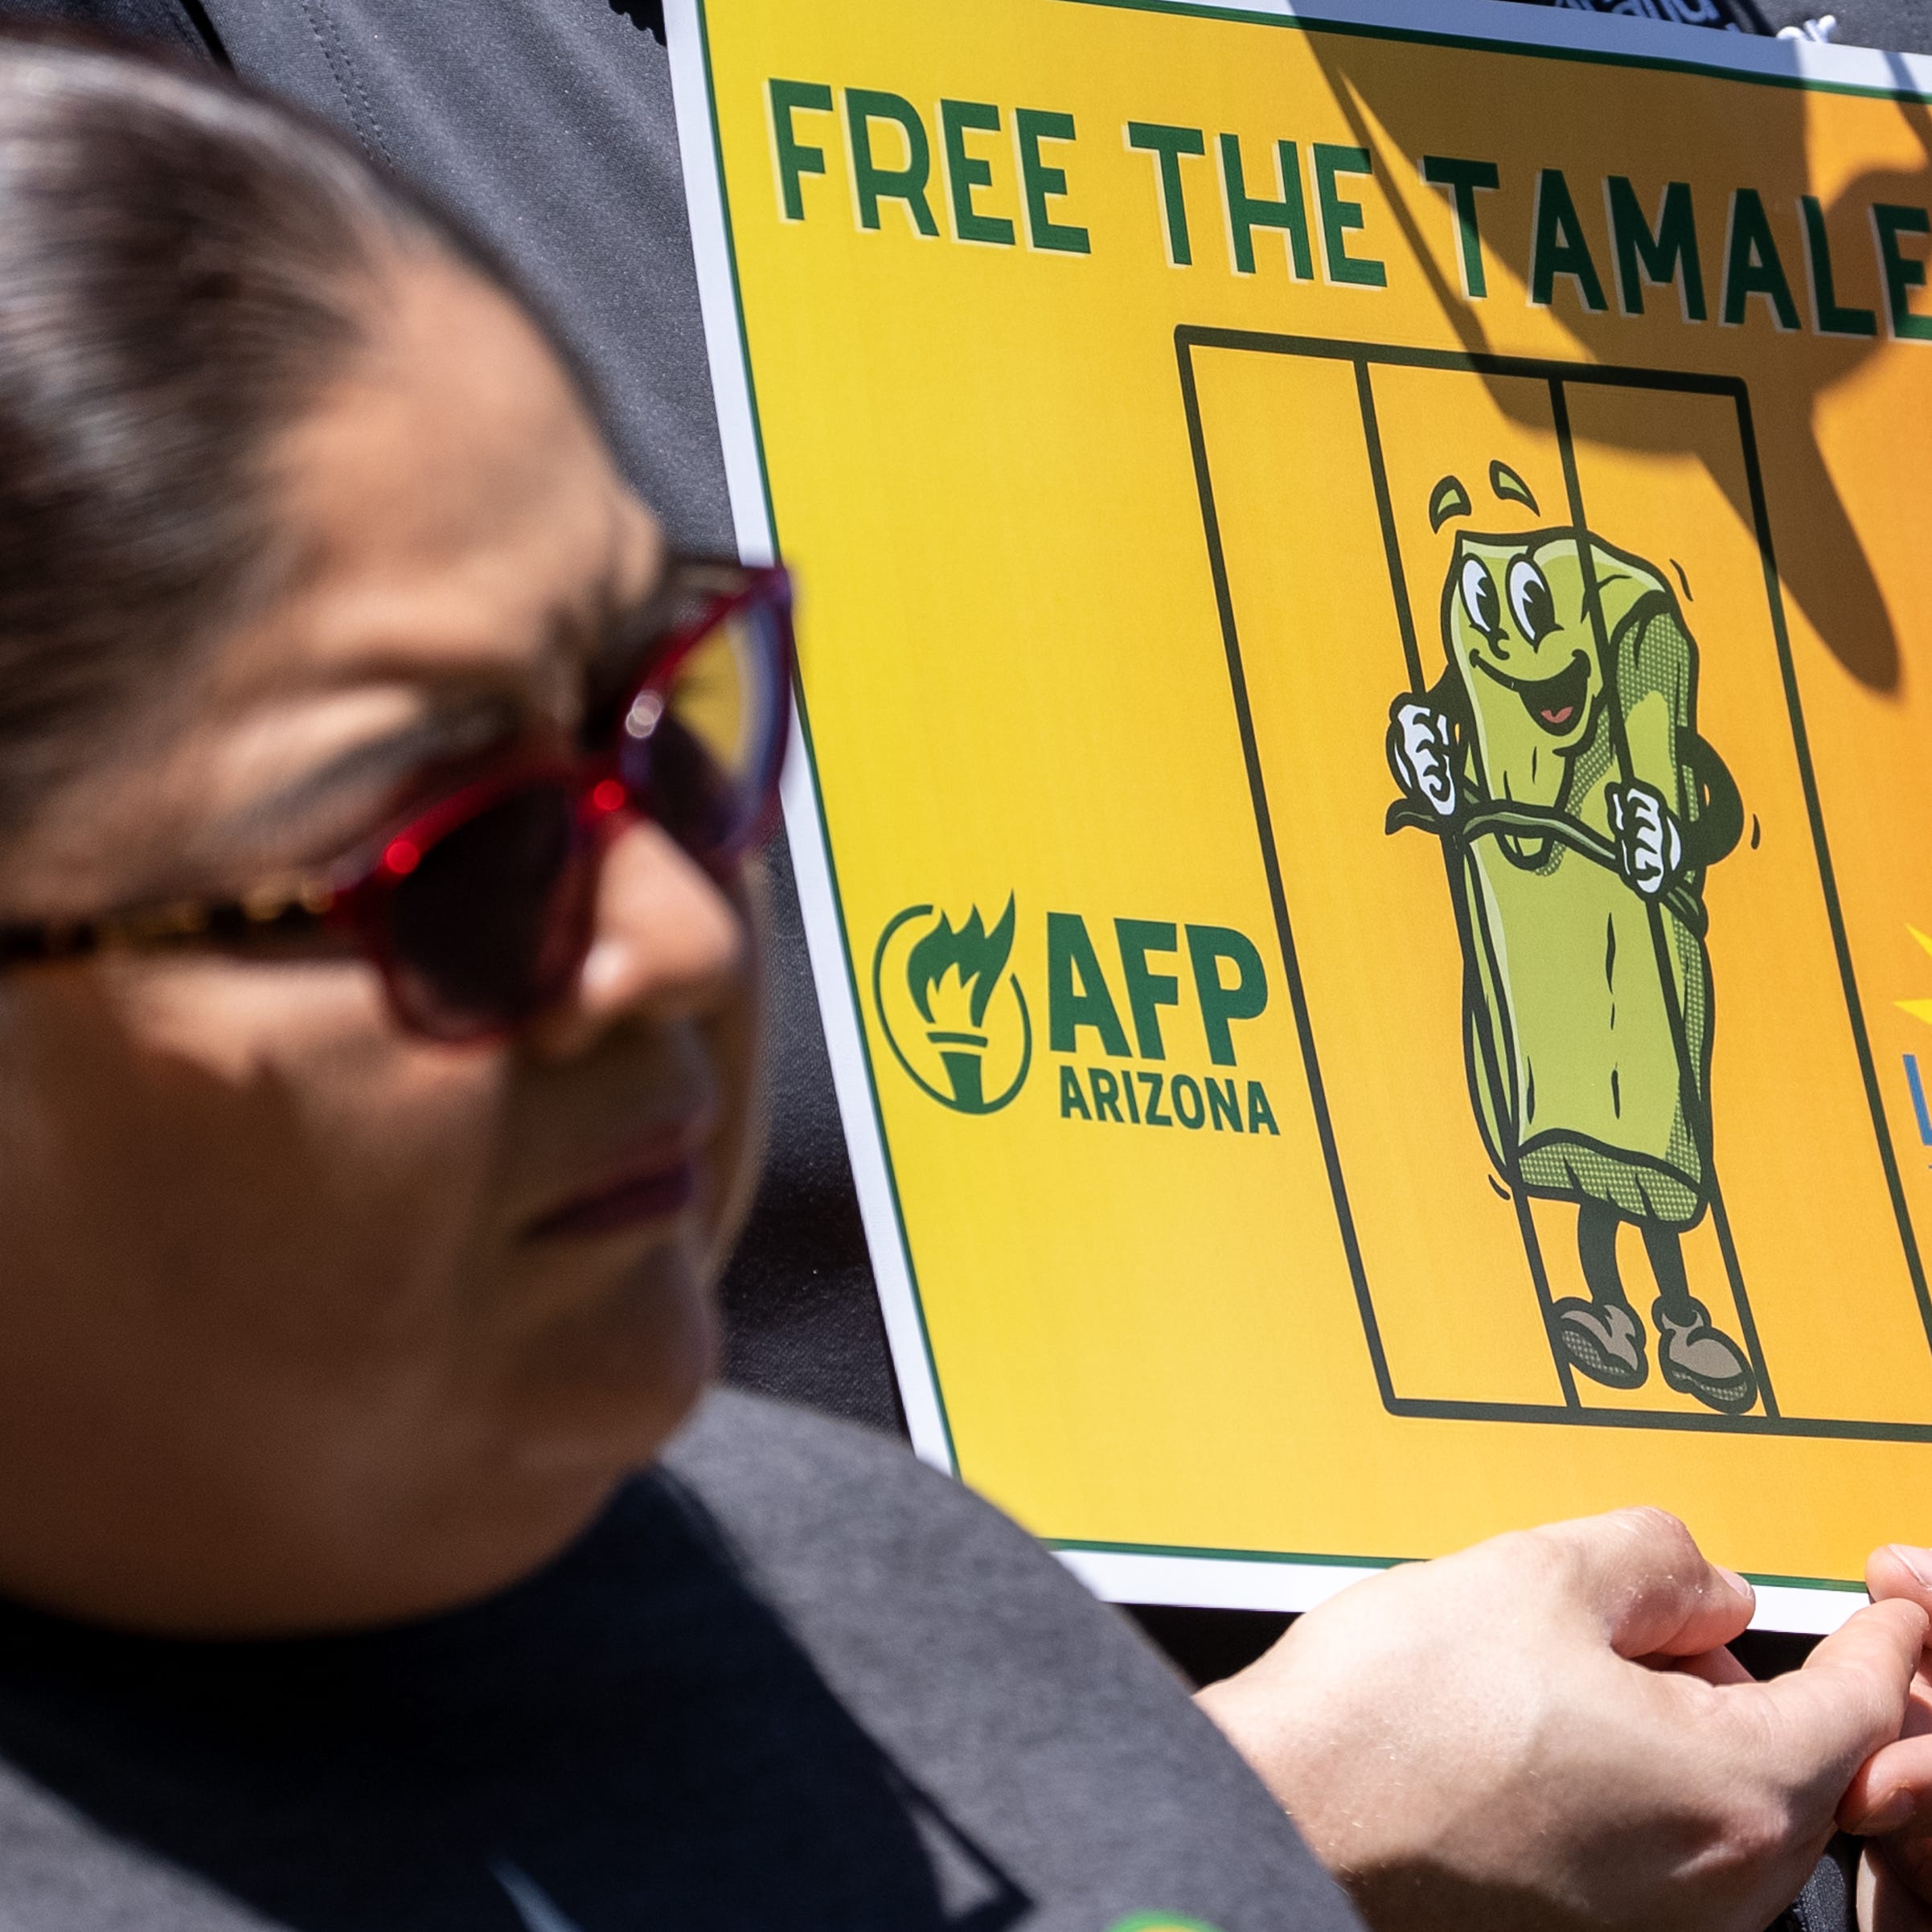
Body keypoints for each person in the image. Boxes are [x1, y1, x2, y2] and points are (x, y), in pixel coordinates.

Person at [0, 32, 1919, 1932]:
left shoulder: (904, 1609)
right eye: (440, 839)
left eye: (667, 720)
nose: (680, 918)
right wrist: (1244, 1825)